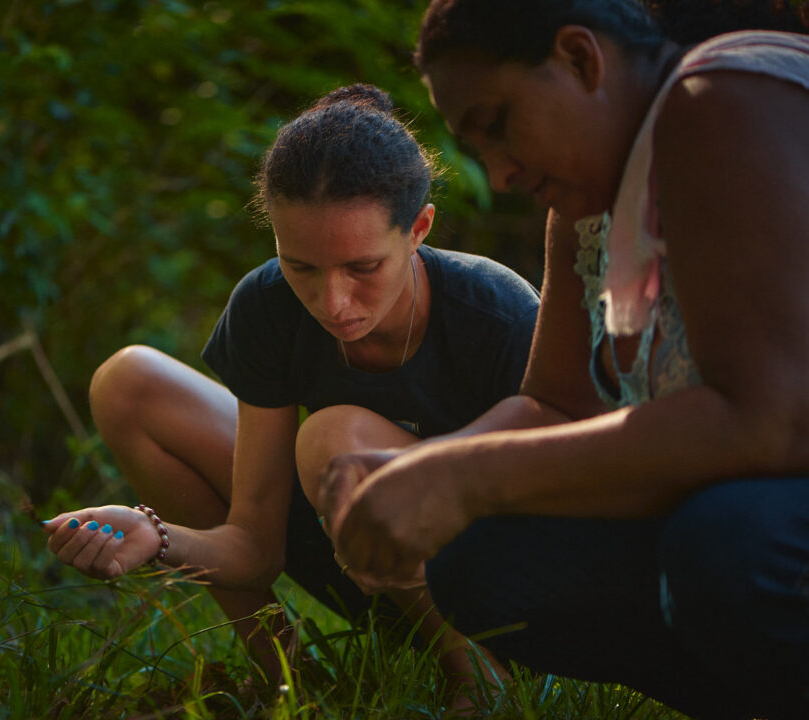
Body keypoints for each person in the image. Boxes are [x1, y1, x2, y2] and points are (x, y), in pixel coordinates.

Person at [307, 2, 809, 718]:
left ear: (581, 59)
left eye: (499, 124)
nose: (501, 173)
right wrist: (421, 473)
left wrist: (467, 477)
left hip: (768, 507)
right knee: (484, 562)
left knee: (732, 544)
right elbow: (556, 403)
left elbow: (772, 422)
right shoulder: (588, 201)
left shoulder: (716, 100)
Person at [41, 83, 540, 693]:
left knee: (333, 438)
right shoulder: (268, 306)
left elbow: (564, 512)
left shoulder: (499, 312)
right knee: (129, 382)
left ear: (418, 229)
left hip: (503, 596)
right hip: (349, 561)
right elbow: (253, 545)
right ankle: (281, 676)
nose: (333, 303)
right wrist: (158, 537)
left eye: (363, 268)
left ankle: (477, 676)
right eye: (300, 265)